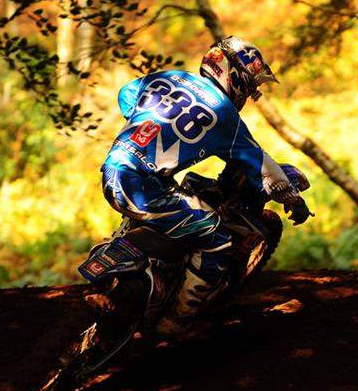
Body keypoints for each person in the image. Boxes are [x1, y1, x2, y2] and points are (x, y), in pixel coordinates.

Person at [101, 36, 312, 335]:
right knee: (217, 241)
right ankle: (175, 321)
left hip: (112, 171)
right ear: (234, 76)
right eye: (249, 86)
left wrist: (149, 121)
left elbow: (126, 93)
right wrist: (294, 201)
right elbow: (260, 163)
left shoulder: (169, 77)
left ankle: (130, 254)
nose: (248, 94)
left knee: (171, 191)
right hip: (144, 188)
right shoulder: (225, 114)